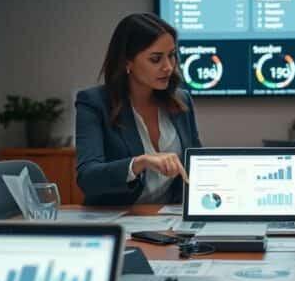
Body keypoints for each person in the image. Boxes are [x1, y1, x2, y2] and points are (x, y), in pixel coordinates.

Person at [76, 13, 201, 206]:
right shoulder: (94, 103)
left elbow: (197, 165)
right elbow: (88, 177)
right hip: (115, 220)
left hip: (169, 221)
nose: (168, 67)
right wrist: (139, 163)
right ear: (128, 62)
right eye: (155, 59)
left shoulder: (181, 100)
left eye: (171, 56)